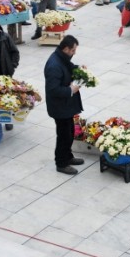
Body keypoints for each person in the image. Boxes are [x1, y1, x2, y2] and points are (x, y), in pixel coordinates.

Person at [44, 35, 85, 175]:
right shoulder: (54, 65)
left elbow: (69, 66)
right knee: (63, 135)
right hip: (59, 107)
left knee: (70, 132)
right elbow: (53, 89)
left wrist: (79, 69)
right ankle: (61, 163)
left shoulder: (62, 57)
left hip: (66, 105)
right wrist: (70, 90)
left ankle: (68, 156)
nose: (74, 53)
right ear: (66, 49)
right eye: (73, 50)